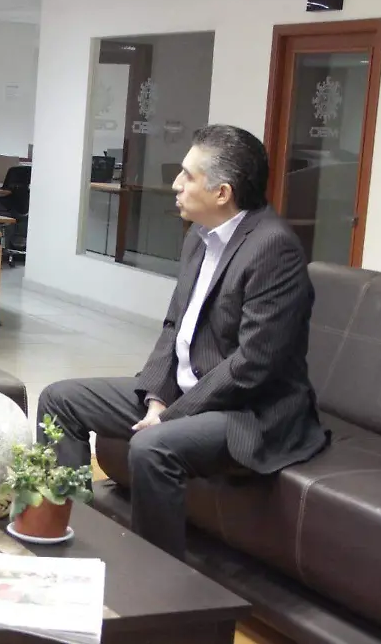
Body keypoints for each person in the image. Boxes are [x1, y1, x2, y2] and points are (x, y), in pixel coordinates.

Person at [37, 125, 327, 559]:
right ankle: (65, 534)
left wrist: (172, 416)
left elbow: (252, 364)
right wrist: (156, 398)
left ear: (222, 193)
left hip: (249, 412)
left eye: (188, 176)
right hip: (188, 395)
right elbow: (174, 326)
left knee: (151, 446)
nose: (175, 184)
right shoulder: (200, 235)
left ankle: (158, 581)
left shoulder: (274, 249)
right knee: (60, 400)